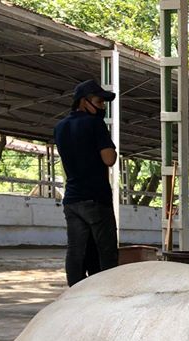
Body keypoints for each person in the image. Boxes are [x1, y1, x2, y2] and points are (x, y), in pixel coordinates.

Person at [53, 79, 118, 286]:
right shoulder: (94, 123)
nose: (102, 108)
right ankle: (108, 292)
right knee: (106, 251)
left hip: (72, 199)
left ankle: (75, 293)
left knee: (76, 250)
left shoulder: (60, 127)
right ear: (83, 102)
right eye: (99, 102)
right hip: (96, 197)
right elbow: (109, 159)